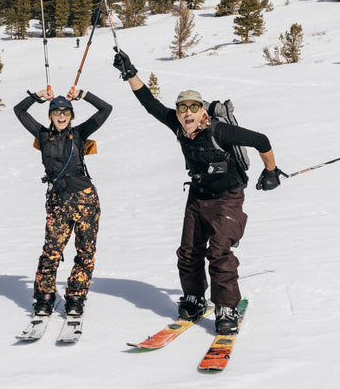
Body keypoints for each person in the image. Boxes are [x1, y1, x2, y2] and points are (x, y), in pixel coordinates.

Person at [112, 51, 286, 334]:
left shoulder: (220, 131)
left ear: (203, 111)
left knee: (219, 252)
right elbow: (150, 104)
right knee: (189, 252)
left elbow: (261, 140)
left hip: (228, 198)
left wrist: (270, 171)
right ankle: (193, 298)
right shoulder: (178, 127)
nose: (188, 112)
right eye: (182, 108)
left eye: (194, 107)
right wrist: (130, 73)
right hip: (198, 196)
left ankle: (226, 307)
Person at [14, 86, 112, 318]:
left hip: (85, 199)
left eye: (66, 113)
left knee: (85, 251)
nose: (61, 116)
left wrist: (83, 95)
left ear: (71, 116)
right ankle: (44, 298)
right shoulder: (42, 135)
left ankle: (76, 296)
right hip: (58, 202)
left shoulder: (79, 134)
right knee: (51, 251)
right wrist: (37, 97)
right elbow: (19, 111)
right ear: (50, 115)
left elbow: (105, 109)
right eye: (56, 112)